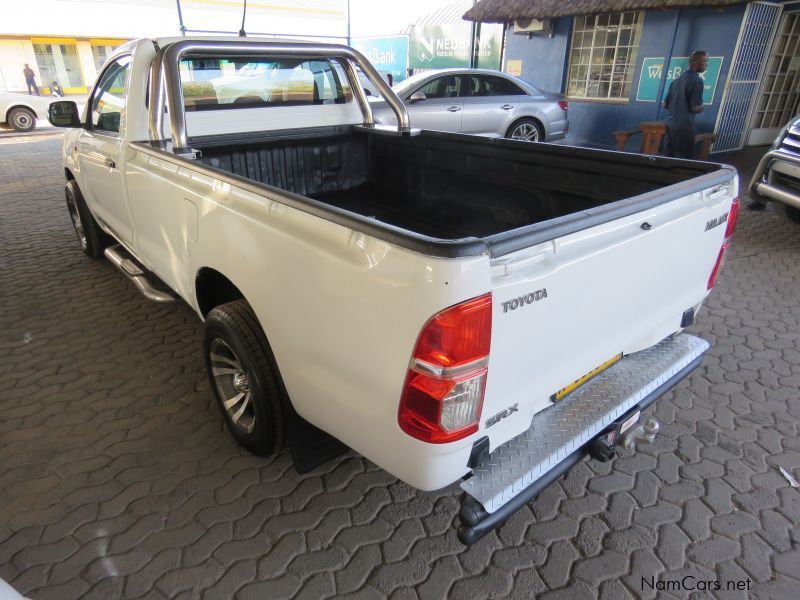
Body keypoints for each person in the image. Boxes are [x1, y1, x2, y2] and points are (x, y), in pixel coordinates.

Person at [663, 50, 707, 159]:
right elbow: (695, 107)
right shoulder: (697, 81)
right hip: (683, 127)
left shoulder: (676, 80)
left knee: (668, 157)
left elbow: (665, 105)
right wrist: (702, 108)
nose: (707, 64)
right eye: (705, 61)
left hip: (669, 124)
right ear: (695, 62)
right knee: (682, 159)